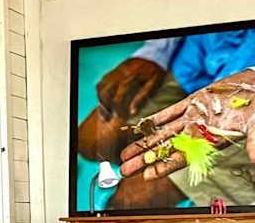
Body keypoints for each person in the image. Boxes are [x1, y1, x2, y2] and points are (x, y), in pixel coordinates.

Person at [78, 31, 255, 210]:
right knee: (91, 141)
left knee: (130, 200)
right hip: (195, 61)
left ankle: (184, 188)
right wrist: (154, 54)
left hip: (243, 97)